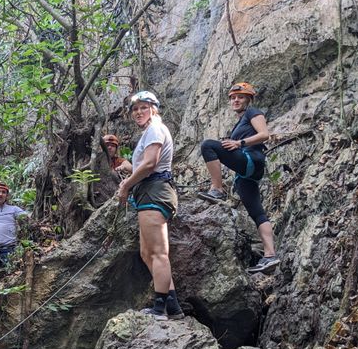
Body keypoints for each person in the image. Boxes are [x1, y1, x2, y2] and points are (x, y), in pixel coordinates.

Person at [197, 82, 280, 274]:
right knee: (257, 212)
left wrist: (239, 142)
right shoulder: (240, 122)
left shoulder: (253, 113)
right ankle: (270, 255)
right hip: (247, 173)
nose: (236, 100)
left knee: (208, 145)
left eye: (240, 97)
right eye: (233, 97)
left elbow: (264, 135)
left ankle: (217, 189)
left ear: (249, 99)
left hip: (253, 158)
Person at [116, 91, 184, 321]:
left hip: (155, 190)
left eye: (143, 107)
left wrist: (126, 186)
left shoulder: (155, 128)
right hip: (148, 191)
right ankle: (173, 306)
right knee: (147, 253)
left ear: (154, 109)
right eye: (135, 109)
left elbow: (150, 164)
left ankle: (160, 309)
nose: (138, 112)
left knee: (158, 253)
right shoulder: (149, 132)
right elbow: (142, 165)